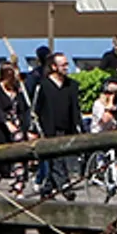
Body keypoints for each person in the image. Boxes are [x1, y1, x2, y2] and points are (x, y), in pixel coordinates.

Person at [32, 52, 83, 190]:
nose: (66, 67)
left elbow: (75, 108)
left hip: (66, 127)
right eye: (63, 65)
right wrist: (33, 129)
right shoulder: (43, 86)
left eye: (67, 64)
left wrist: (78, 127)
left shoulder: (71, 86)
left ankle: (47, 190)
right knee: (56, 159)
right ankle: (65, 185)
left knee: (57, 159)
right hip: (49, 128)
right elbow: (35, 109)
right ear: (54, 67)